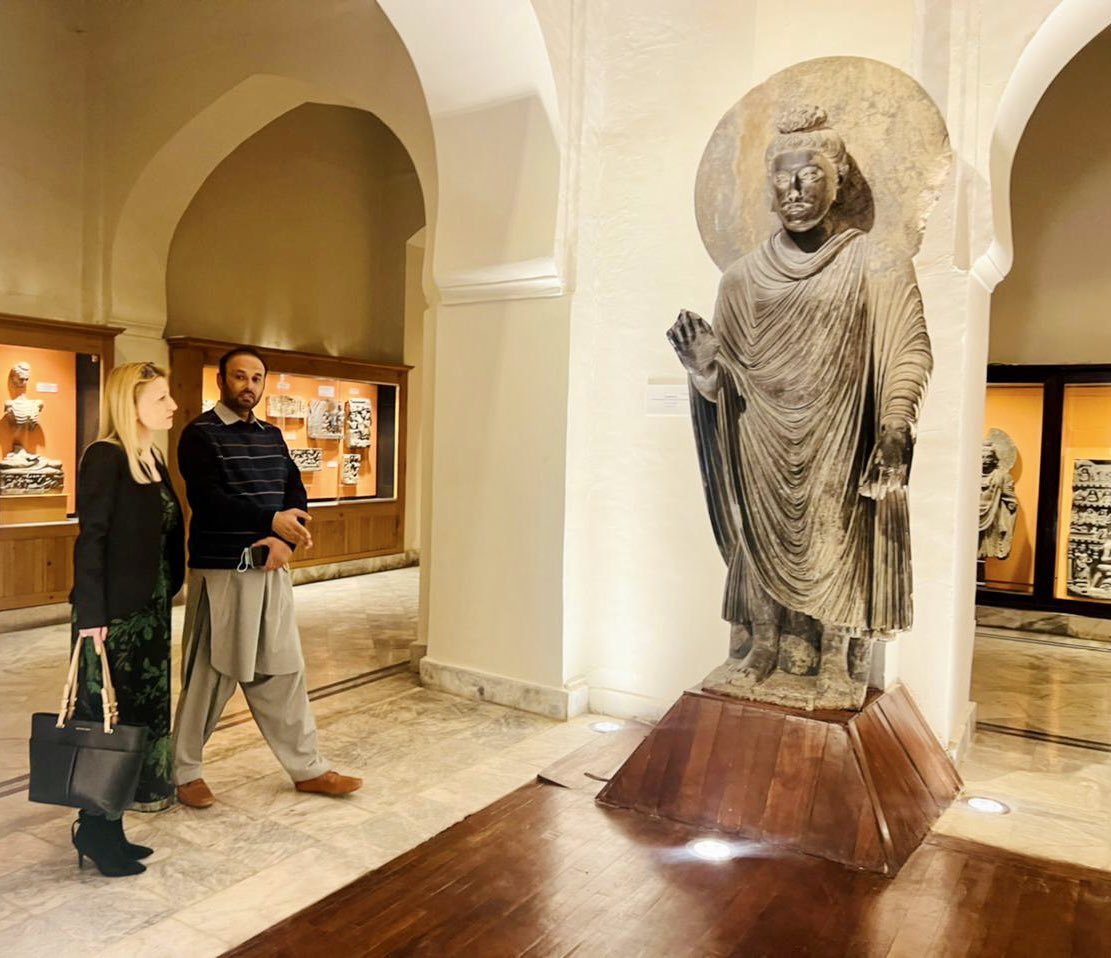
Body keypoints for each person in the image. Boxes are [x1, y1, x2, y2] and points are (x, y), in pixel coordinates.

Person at [668, 106, 933, 709]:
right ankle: (761, 647)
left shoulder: (875, 262)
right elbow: (724, 384)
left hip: (839, 430)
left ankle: (836, 658)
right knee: (756, 537)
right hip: (758, 434)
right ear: (766, 189)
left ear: (839, 183)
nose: (794, 189)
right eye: (782, 178)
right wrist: (704, 368)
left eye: (810, 175)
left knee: (836, 535)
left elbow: (908, 347)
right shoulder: (740, 279)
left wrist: (896, 424)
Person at [172, 346, 362, 807]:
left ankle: (308, 768)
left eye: (257, 378)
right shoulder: (200, 435)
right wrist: (270, 521)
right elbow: (209, 501)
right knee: (210, 674)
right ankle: (183, 771)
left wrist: (284, 541)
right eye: (240, 377)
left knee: (284, 670)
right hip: (223, 569)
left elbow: (294, 492)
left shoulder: (272, 435)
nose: (249, 386)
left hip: (271, 567)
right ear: (222, 380)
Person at [70, 362, 184, 876]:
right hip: (113, 617)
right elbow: (90, 539)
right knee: (106, 721)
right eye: (161, 398)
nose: (172, 406)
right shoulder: (105, 456)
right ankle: (95, 828)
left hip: (150, 614)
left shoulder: (151, 456)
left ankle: (112, 826)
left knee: (137, 719)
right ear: (129, 403)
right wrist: (92, 614)